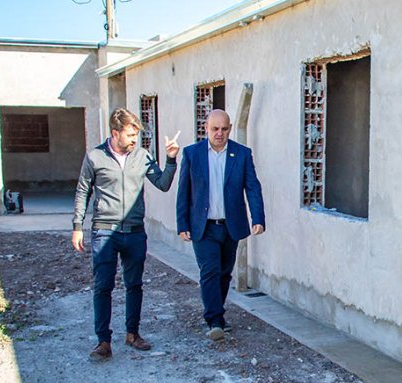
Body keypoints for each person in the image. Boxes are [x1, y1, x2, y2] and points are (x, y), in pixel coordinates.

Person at [72, 108, 180, 361]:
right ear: (115, 133)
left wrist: (171, 159)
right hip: (104, 231)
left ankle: (132, 334)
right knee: (103, 286)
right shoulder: (95, 157)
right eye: (130, 135)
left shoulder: (142, 156)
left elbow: (163, 184)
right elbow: (82, 191)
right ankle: (103, 342)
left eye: (137, 136)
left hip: (134, 232)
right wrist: (77, 226)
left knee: (134, 285)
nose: (134, 140)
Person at [176, 109, 265, 341]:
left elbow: (253, 187)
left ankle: (217, 314)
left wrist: (258, 218)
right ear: (206, 128)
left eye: (224, 129)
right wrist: (182, 223)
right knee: (210, 271)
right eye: (215, 129)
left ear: (230, 128)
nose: (219, 133)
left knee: (225, 272)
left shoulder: (242, 154)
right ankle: (214, 319)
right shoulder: (192, 154)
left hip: (230, 225)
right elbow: (183, 192)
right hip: (203, 226)